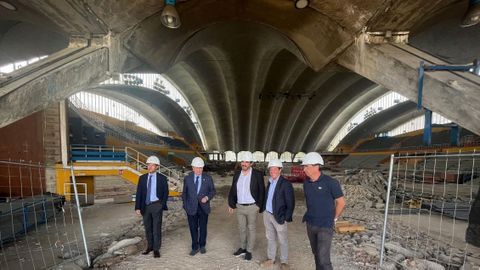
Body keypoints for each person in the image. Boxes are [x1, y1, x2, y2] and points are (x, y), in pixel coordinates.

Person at [302, 152, 345, 270]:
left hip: (325, 225)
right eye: (304, 166)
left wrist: (334, 218)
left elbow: (341, 203)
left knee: (324, 258)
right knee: (316, 254)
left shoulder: (331, 183)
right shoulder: (306, 183)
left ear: (316, 166)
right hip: (310, 224)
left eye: (306, 166)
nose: (304, 169)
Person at [228, 151, 265, 260]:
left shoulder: (257, 174)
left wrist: (259, 205)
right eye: (242, 161)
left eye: (246, 162)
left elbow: (262, 191)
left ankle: (249, 250)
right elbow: (233, 189)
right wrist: (231, 204)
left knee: (251, 229)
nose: (244, 163)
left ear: (251, 163)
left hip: (252, 207)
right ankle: (243, 248)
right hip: (240, 207)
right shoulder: (237, 174)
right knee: (241, 229)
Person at [261, 159, 295, 270]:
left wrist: (286, 217)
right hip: (268, 214)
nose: (273, 171)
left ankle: (284, 262)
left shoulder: (286, 184)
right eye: (271, 169)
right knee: (270, 238)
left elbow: (291, 203)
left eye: (275, 168)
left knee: (282, 239)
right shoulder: (270, 181)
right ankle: (271, 259)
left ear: (280, 170)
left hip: (279, 216)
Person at [135, 155, 169, 258]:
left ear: (157, 166)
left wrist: (161, 205)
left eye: (152, 165)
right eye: (148, 165)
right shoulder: (142, 178)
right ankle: (149, 246)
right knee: (148, 228)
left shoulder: (162, 178)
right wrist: (137, 207)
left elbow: (165, 193)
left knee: (156, 228)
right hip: (145, 206)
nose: (149, 167)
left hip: (156, 205)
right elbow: (139, 193)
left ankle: (156, 249)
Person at [182, 157, 216, 256]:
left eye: (200, 168)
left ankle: (202, 245)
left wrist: (207, 197)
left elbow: (213, 191)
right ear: (192, 168)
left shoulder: (208, 178)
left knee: (203, 227)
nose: (198, 170)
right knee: (193, 228)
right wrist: (185, 205)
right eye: (196, 168)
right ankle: (194, 247)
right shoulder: (187, 178)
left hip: (203, 207)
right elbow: (184, 193)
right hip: (191, 208)